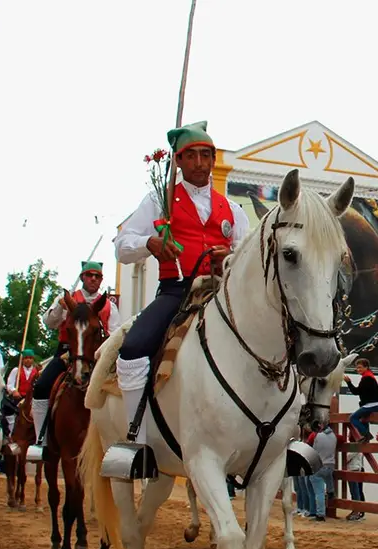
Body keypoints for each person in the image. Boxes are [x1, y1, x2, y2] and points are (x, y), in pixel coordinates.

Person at [112, 121, 247, 449]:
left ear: (214, 159)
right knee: (131, 351)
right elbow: (122, 244)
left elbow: (248, 253)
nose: (200, 163)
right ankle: (136, 442)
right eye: (192, 156)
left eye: (206, 155)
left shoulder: (233, 209)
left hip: (222, 292)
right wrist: (151, 243)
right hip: (177, 290)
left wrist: (229, 255)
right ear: (178, 161)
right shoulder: (161, 200)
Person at [30, 261, 122, 445]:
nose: (93, 279)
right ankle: (42, 438)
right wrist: (60, 307)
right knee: (41, 386)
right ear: (82, 277)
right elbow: (49, 322)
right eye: (89, 275)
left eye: (97, 276)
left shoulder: (108, 306)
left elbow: (114, 333)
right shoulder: (67, 299)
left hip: (97, 356)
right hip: (68, 353)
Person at [343, 358, 378, 443]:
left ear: (366, 367)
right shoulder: (369, 376)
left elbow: (356, 392)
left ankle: (366, 434)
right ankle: (365, 438)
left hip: (372, 405)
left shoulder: (366, 379)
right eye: (357, 368)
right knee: (363, 419)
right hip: (375, 404)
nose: (358, 370)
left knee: (352, 418)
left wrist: (349, 382)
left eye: (360, 367)